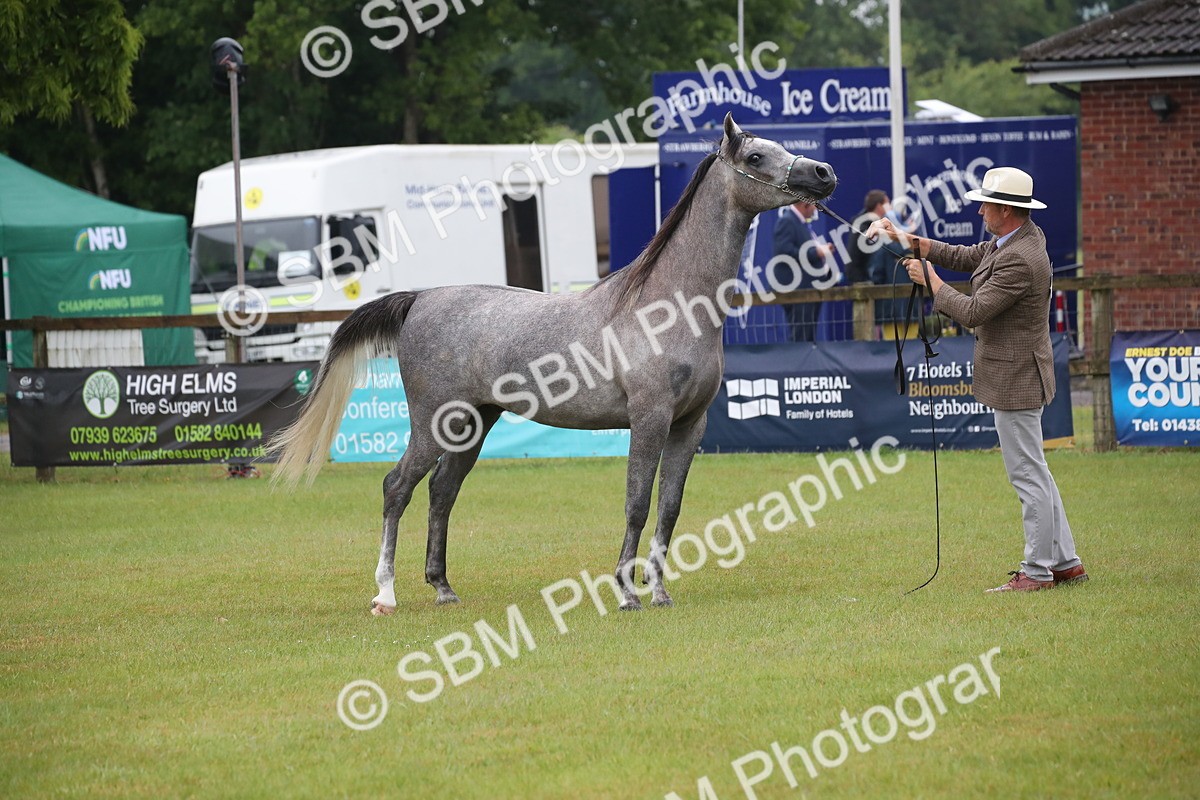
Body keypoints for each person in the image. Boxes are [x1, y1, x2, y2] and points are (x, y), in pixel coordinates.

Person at [869, 166, 1088, 593]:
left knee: (1027, 475)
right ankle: (1065, 563)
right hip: (1018, 374)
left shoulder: (1020, 258)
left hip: (1018, 378)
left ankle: (1038, 571)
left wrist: (930, 280)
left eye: (986, 202)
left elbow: (971, 312)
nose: (980, 208)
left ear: (1006, 209)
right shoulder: (1016, 239)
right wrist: (904, 237)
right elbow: (965, 256)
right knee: (1035, 472)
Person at [772, 200, 833, 342]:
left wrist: (818, 251)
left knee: (807, 334)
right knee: (801, 335)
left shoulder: (800, 223)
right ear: (805, 204)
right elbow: (784, 252)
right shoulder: (787, 221)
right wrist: (816, 253)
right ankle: (798, 363)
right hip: (797, 290)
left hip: (807, 289)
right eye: (814, 205)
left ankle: (808, 363)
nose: (815, 209)